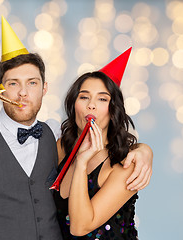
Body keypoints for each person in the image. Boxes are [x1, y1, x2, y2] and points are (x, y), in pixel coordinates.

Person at [0, 17, 152, 240]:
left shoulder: (53, 134)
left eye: (32, 83)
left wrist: (144, 150)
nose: (23, 93)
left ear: (44, 88)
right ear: (0, 90)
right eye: (13, 83)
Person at [54, 48, 147, 239]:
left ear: (113, 111)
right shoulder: (62, 147)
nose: (92, 105)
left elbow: (79, 227)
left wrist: (81, 163)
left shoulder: (125, 165)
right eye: (84, 97)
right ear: (74, 104)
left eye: (102, 99)